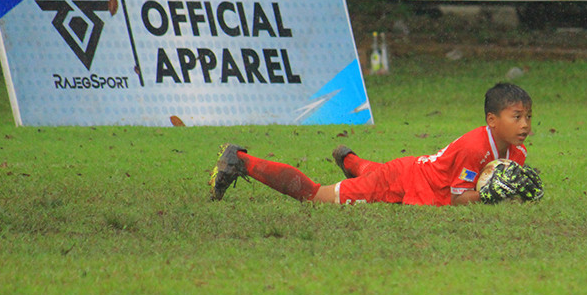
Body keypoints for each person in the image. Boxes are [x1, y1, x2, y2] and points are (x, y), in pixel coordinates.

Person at [209, 82, 543, 205]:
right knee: (318, 196)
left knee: (377, 172)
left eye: (528, 116)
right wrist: (489, 196)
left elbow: (503, 183)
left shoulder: (519, 149)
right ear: (491, 120)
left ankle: (351, 161)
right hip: (403, 183)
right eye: (516, 116)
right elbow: (459, 198)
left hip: (414, 170)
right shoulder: (475, 147)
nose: (525, 124)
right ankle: (240, 160)